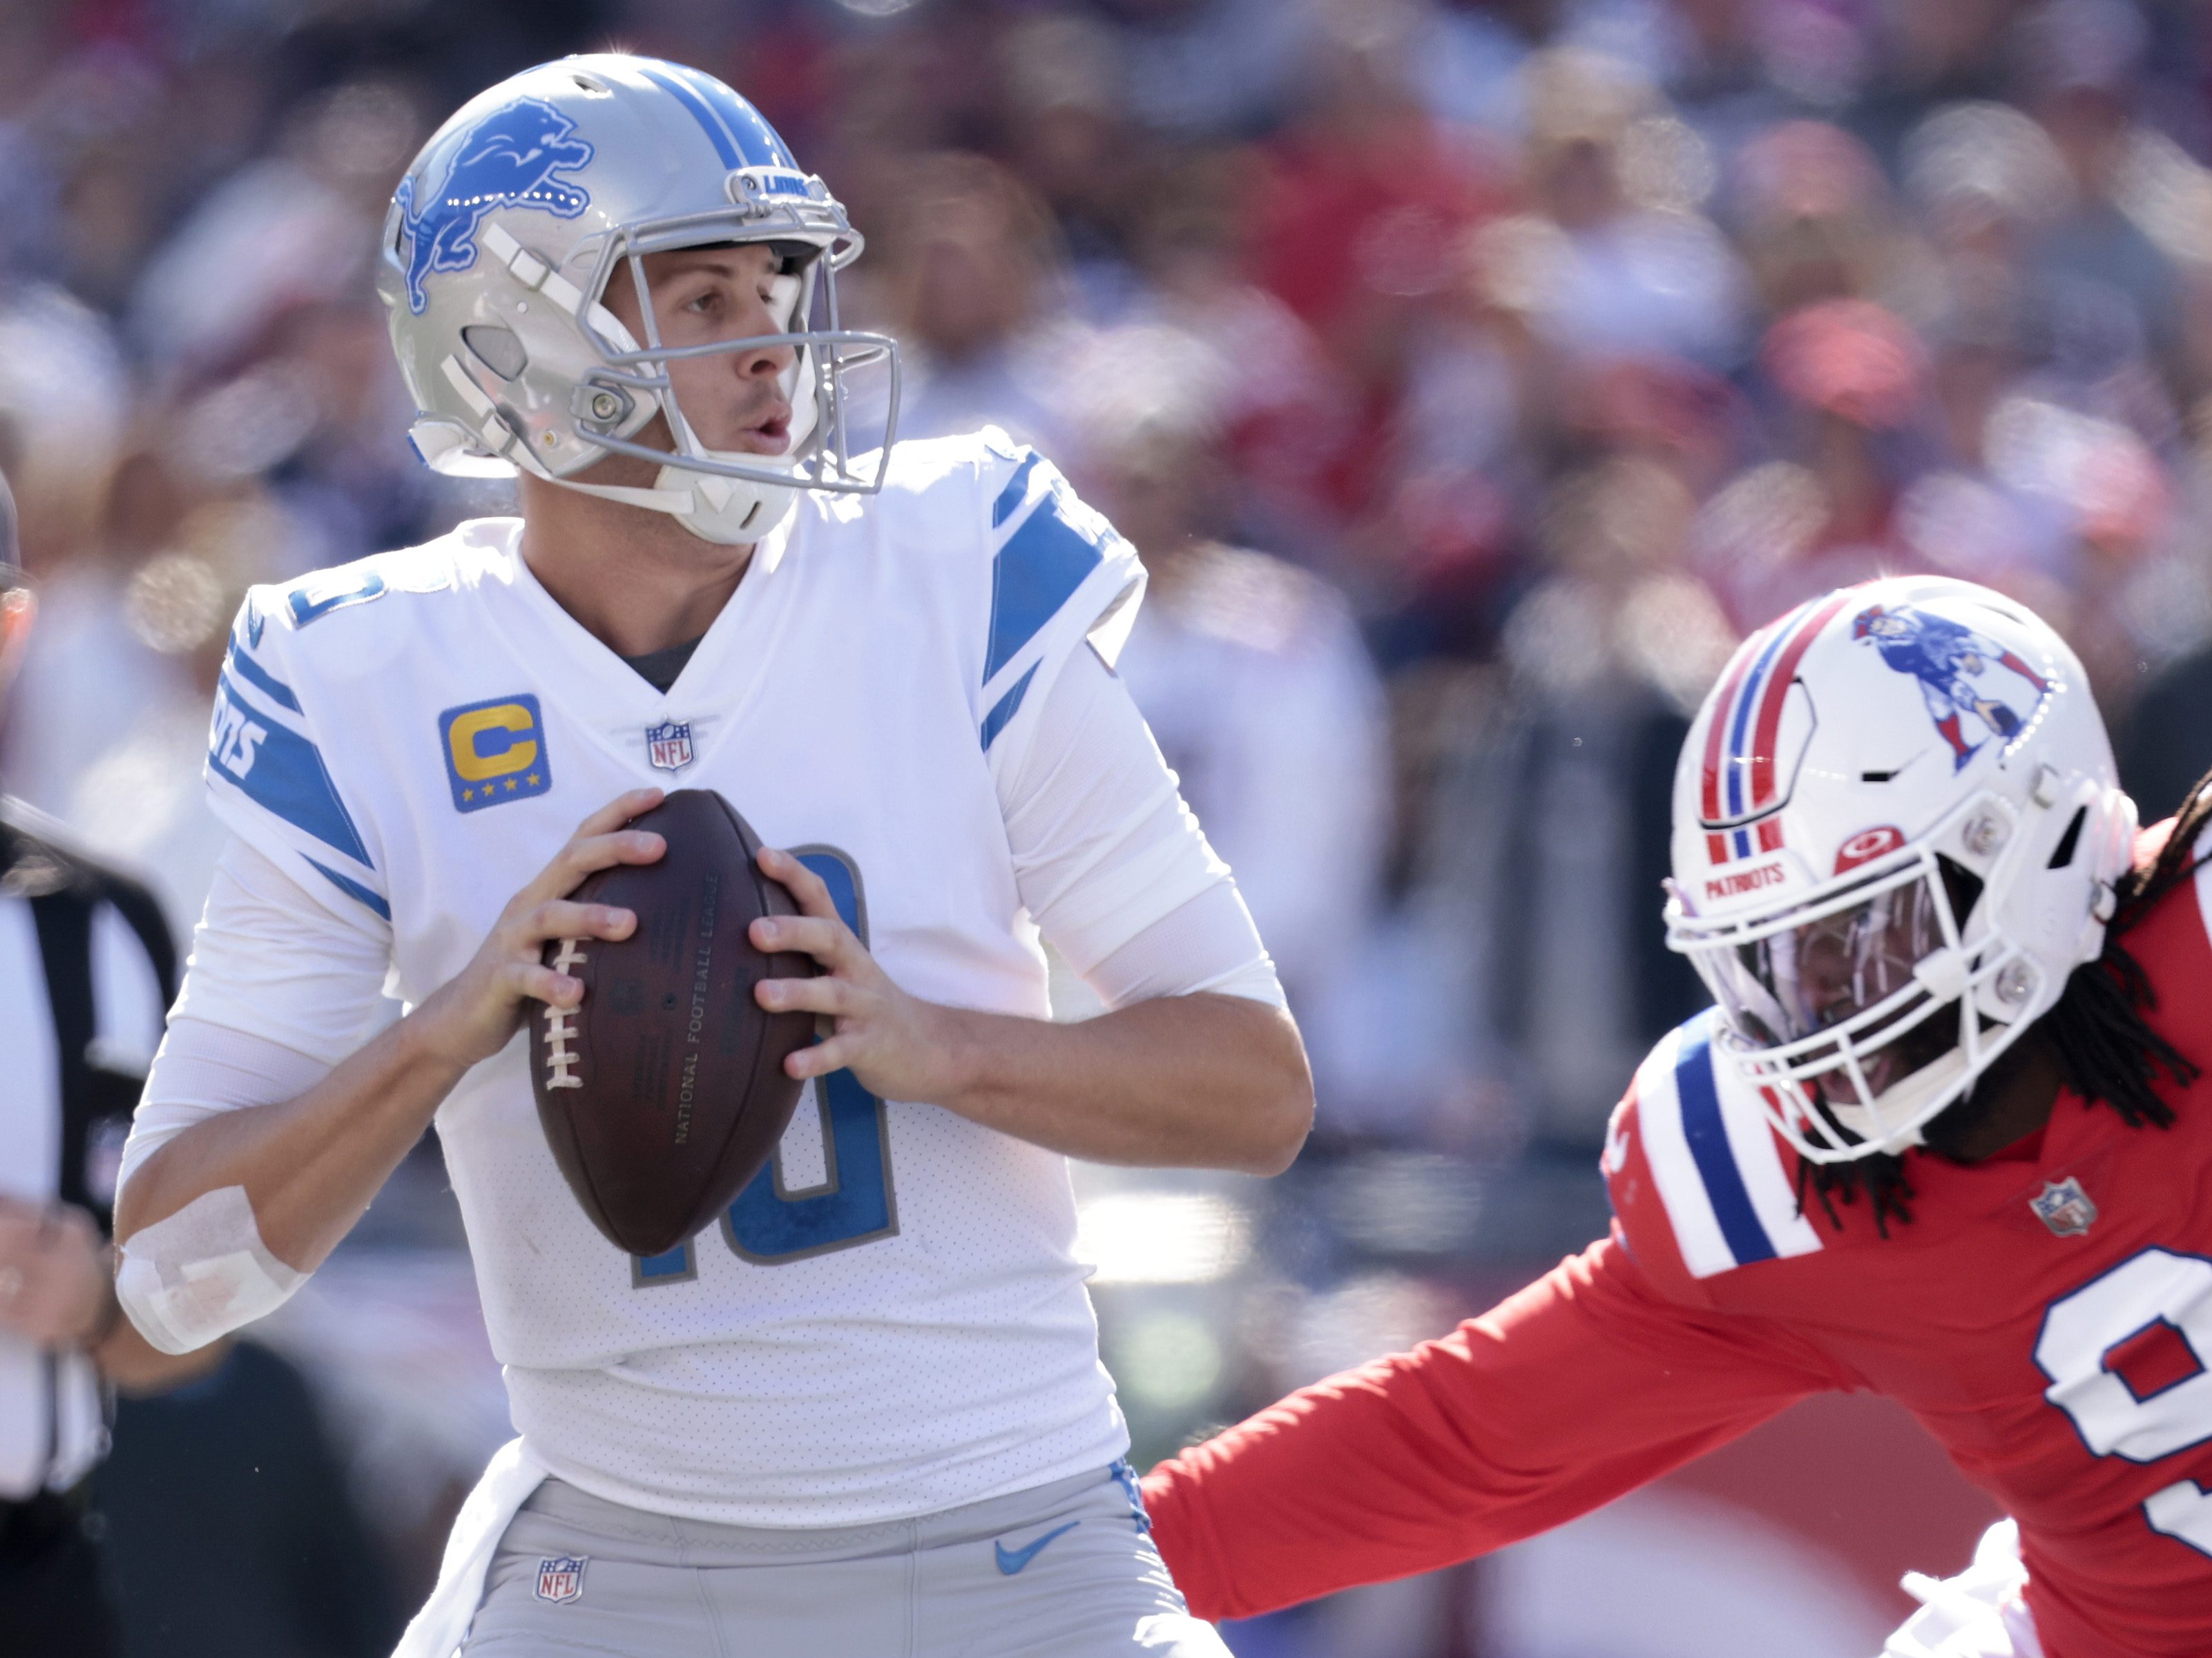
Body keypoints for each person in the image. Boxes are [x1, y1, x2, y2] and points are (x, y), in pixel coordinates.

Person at [112, 57, 1312, 1658]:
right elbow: (175, 1275)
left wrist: (939, 1045)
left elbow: (1253, 1088)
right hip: (613, 1562)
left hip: (1019, 1534)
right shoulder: (364, 676)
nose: (774, 346)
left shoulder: (948, 569)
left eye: (778, 287)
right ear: (520, 345)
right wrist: (448, 1025)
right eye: (699, 294)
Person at [1142, 572, 2212, 1657]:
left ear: (2032, 839)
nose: (1808, 1017)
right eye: (1768, 964)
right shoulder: (1775, 1194)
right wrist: (1095, 1561)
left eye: (1853, 939)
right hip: (2072, 1635)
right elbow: (1466, 1433)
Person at [0, 499, 224, 1655]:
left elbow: (204, 1318)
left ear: (10, 628)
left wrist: (95, 1300)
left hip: (30, 1575)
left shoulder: (105, 926)